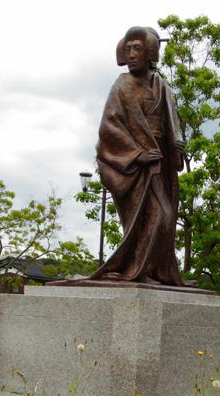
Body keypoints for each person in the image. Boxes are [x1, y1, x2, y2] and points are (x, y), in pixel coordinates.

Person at [89, 26, 185, 286]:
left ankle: (153, 271)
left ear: (150, 52)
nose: (131, 53)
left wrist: (177, 146)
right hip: (133, 166)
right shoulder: (121, 86)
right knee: (154, 218)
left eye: (138, 48)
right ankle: (135, 269)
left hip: (159, 164)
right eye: (128, 48)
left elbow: (172, 120)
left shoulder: (161, 86)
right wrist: (136, 153)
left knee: (165, 219)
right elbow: (109, 127)